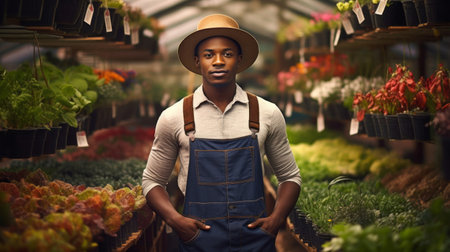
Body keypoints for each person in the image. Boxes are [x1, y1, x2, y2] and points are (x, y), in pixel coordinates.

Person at [142, 14, 301, 252]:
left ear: (239, 59)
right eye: (209, 55)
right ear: (197, 61)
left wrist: (276, 220)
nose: (218, 61)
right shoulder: (174, 116)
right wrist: (176, 221)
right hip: (197, 239)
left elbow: (290, 176)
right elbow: (152, 181)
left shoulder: (267, 113)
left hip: (255, 240)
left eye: (227, 53)